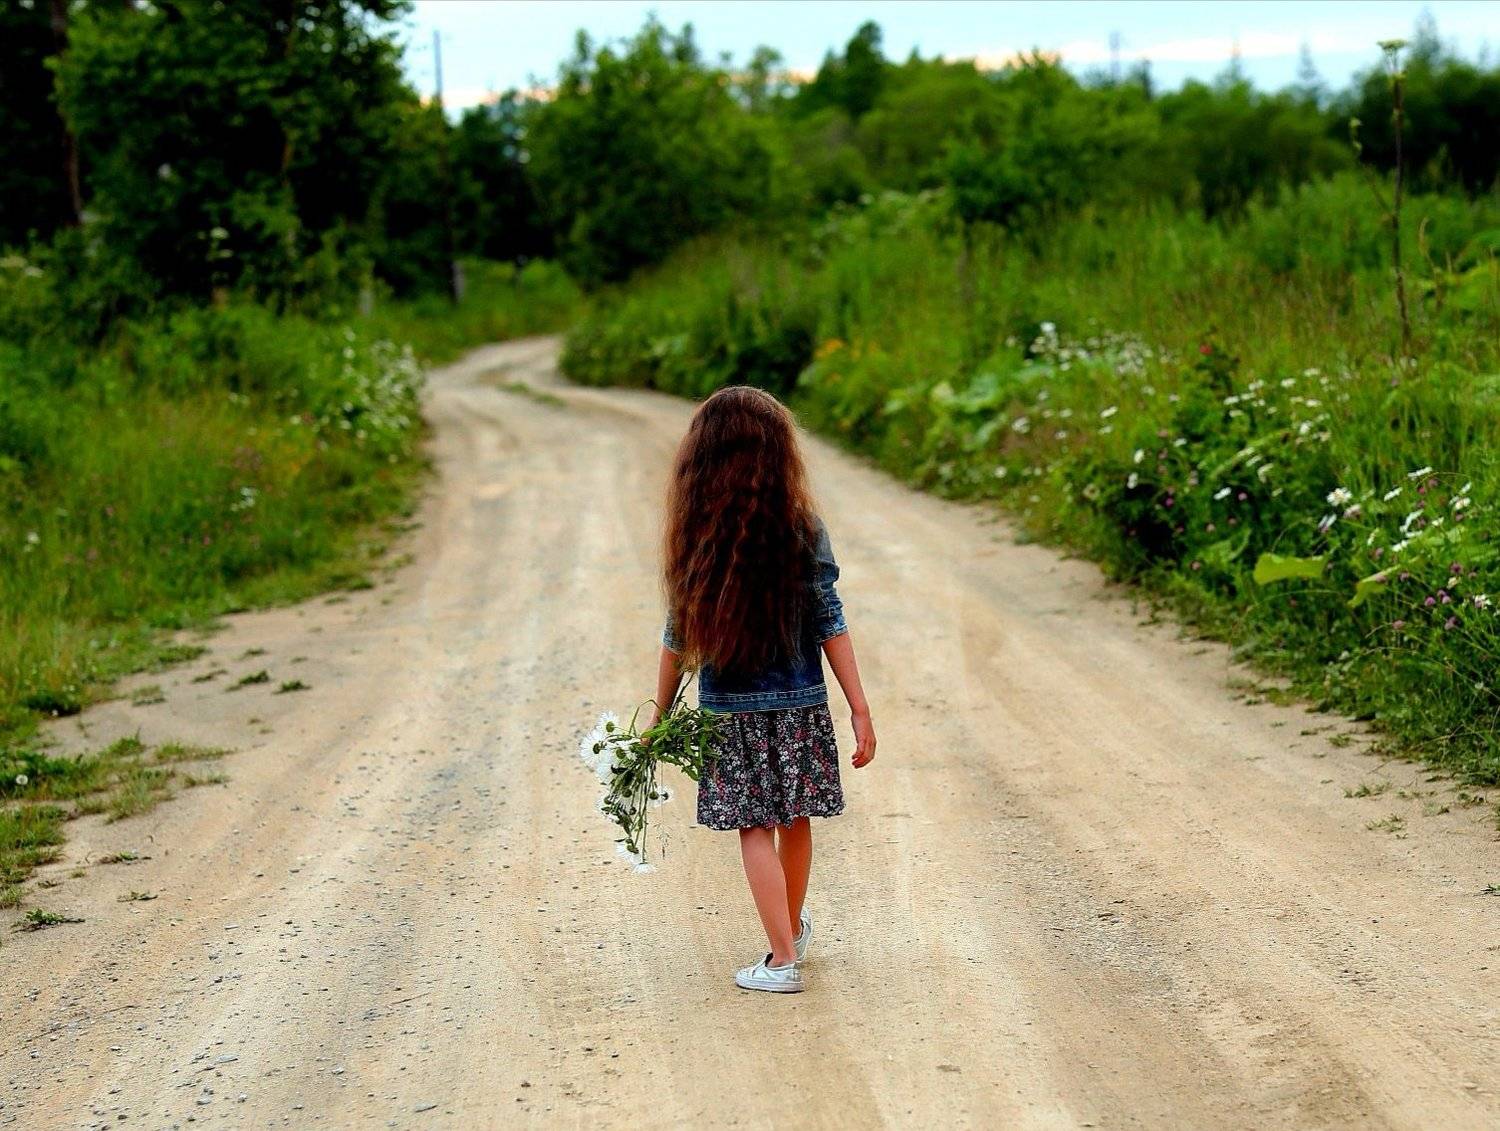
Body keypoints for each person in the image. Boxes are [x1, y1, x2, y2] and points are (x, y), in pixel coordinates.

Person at [642, 385, 876, 994]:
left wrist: (658, 716)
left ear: (701, 458)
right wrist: (858, 706)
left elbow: (677, 637)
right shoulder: (802, 528)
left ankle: (781, 960)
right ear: (779, 456)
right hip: (801, 704)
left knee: (754, 828)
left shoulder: (697, 534)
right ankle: (787, 935)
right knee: (795, 819)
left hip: (731, 714)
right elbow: (829, 618)